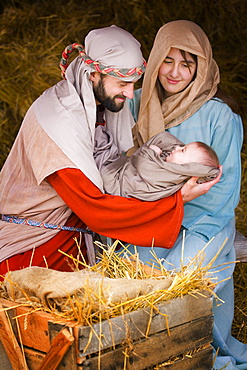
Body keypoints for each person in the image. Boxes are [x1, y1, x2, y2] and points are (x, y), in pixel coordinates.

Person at [0, 25, 220, 278]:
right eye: (122, 83)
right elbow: (94, 207)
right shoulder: (58, 123)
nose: (130, 92)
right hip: (36, 250)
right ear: (93, 74)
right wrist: (177, 198)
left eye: (133, 83)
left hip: (75, 242)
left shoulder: (100, 106)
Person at [126, 20, 246, 370]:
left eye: (187, 63)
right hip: (147, 217)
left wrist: (176, 205)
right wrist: (153, 210)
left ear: (201, 67)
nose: (175, 72)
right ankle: (136, 353)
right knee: (129, 267)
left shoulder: (219, 116)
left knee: (182, 274)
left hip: (203, 221)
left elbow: (224, 191)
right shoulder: (135, 102)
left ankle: (191, 354)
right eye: (168, 60)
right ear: (156, 59)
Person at [94, 127, 220, 200]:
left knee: (102, 151)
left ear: (189, 168)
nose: (176, 148)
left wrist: (151, 152)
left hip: (116, 186)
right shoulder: (172, 168)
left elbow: (144, 166)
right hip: (124, 177)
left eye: (182, 150)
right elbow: (164, 138)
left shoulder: (170, 176)